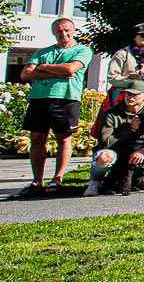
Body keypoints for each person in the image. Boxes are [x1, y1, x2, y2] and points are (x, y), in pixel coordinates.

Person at [15, 17, 93, 197]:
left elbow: (70, 69)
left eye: (66, 30)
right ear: (53, 32)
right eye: (59, 31)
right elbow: (26, 74)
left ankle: (57, 178)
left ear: (73, 31)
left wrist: (42, 68)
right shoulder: (42, 52)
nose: (63, 34)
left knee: (63, 139)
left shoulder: (82, 50)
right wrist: (54, 71)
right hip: (39, 98)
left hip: (66, 98)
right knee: (36, 139)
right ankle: (37, 180)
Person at [86, 78, 144, 195]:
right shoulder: (111, 113)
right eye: (128, 94)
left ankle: (142, 177)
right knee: (105, 156)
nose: (130, 97)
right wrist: (130, 129)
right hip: (117, 151)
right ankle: (95, 181)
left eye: (135, 95)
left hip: (142, 149)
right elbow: (105, 142)